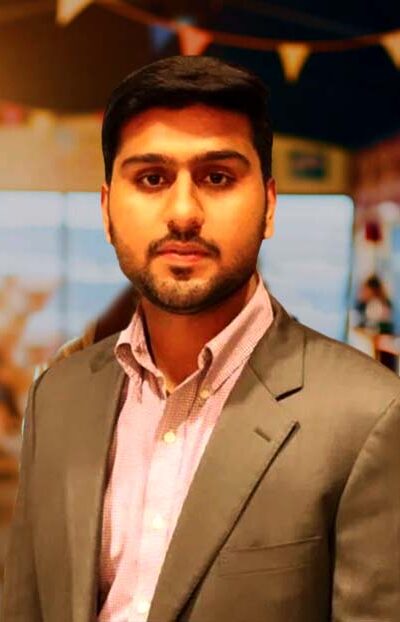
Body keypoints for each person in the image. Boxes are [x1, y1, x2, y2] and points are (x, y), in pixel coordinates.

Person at [2, 56, 400, 622]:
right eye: (151, 178)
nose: (184, 213)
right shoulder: (58, 397)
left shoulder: (369, 416)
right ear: (107, 210)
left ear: (269, 206)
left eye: (217, 177)